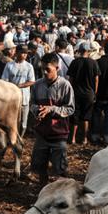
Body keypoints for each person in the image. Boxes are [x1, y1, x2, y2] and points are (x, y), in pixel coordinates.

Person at [29, 52, 75, 186]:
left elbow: (70, 109)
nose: (44, 72)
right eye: (42, 69)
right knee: (40, 167)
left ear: (57, 69)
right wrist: (37, 110)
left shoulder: (65, 86)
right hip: (42, 133)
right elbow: (32, 104)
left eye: (47, 70)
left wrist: (51, 109)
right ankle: (43, 191)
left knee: (60, 169)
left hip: (58, 135)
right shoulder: (37, 85)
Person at [66, 42, 100, 145]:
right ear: (88, 51)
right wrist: (95, 92)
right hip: (89, 93)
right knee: (86, 117)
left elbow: (70, 79)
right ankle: (84, 139)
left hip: (76, 93)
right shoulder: (93, 63)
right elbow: (96, 80)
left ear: (80, 51)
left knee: (75, 116)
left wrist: (70, 92)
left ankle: (72, 138)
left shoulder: (74, 62)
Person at [1, 44, 35, 136]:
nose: (24, 55)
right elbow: (4, 80)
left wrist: (19, 85)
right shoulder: (9, 65)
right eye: (23, 53)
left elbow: (32, 81)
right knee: (12, 121)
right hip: (11, 98)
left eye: (26, 53)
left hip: (24, 98)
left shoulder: (29, 66)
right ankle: (12, 138)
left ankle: (21, 137)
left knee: (23, 123)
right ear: (17, 53)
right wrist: (12, 87)